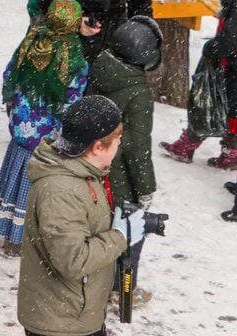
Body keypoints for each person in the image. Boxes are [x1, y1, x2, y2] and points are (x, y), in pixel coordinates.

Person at [17, 95, 143, 336]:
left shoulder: (83, 172)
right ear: (97, 147)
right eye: (117, 140)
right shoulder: (61, 191)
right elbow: (74, 261)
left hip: (75, 313)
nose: (119, 146)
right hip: (59, 323)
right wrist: (119, 236)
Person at [0, 0, 91, 255]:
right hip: (47, 137)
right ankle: (24, 237)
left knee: (13, 178)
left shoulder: (33, 40)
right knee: (34, 186)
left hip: (22, 128)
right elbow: (72, 98)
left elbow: (11, 74)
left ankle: (6, 228)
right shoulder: (74, 55)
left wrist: (16, 109)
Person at [86, 16, 160, 306]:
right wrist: (146, 188)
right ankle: (120, 290)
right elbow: (138, 147)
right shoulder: (139, 93)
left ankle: (94, 276)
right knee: (132, 230)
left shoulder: (102, 66)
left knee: (97, 226)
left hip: (92, 164)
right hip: (118, 176)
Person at [162, 0, 237, 168]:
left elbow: (233, 35)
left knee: (209, 102)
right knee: (229, 107)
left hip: (230, 62)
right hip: (230, 60)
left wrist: (213, 48)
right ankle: (230, 154)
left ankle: (189, 144)